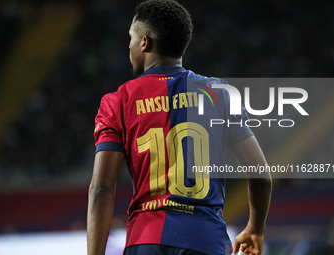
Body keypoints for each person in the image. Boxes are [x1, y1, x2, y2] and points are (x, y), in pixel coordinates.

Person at [87, 0, 272, 255]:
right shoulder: (219, 94)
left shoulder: (117, 102)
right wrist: (255, 228)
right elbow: (261, 175)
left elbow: (101, 189)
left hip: (145, 242)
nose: (128, 44)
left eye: (131, 37)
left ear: (144, 42)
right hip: (206, 241)